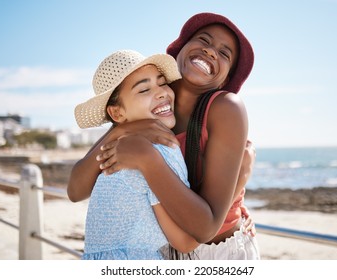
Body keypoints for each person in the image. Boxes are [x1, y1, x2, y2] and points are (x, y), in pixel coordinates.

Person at [68, 12, 260, 260]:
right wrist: (123, 130)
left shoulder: (226, 107)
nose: (212, 51)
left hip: (217, 251)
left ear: (226, 77)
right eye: (204, 39)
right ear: (179, 49)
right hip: (161, 250)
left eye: (225, 54)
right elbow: (76, 190)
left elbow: (205, 228)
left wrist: (147, 159)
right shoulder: (152, 103)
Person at [75, 50, 199, 260]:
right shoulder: (158, 151)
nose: (161, 93)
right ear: (117, 113)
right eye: (144, 90)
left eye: (162, 83)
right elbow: (186, 241)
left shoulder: (116, 149)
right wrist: (236, 187)